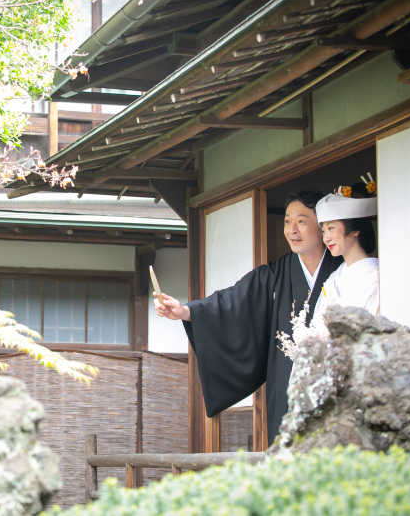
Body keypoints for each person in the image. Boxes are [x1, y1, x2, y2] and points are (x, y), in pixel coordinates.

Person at [154, 189, 342, 445]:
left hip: (333, 384)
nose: (291, 230)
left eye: (301, 221)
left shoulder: (343, 272)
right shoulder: (276, 275)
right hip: (286, 386)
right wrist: (186, 311)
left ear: (322, 226)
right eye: (287, 221)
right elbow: (232, 301)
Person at [311, 182, 379, 320]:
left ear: (354, 229)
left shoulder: (375, 275)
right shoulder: (334, 277)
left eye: (331, 228)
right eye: (323, 231)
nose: (326, 238)